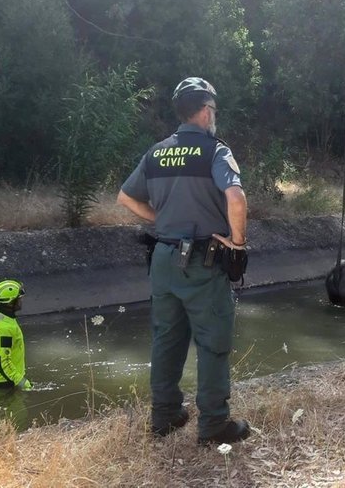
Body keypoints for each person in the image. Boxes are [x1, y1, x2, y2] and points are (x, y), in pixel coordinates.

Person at [118, 77, 250, 445]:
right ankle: (213, 426)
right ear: (206, 111)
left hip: (162, 258)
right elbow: (236, 199)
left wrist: (161, 221)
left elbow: (125, 198)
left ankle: (165, 416)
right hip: (203, 263)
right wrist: (238, 245)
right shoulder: (215, 151)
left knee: (166, 338)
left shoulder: (156, 152)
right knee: (212, 341)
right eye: (214, 111)